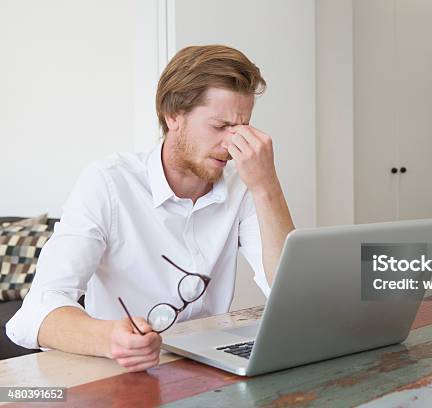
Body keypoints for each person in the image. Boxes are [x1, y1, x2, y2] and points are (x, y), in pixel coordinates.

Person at [7, 45, 295, 372]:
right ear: (173, 115)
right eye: (219, 127)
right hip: (119, 369)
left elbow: (289, 291)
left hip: (206, 367)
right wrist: (108, 337)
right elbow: (35, 312)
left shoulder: (242, 185)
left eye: (241, 128)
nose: (232, 145)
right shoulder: (108, 184)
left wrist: (266, 185)